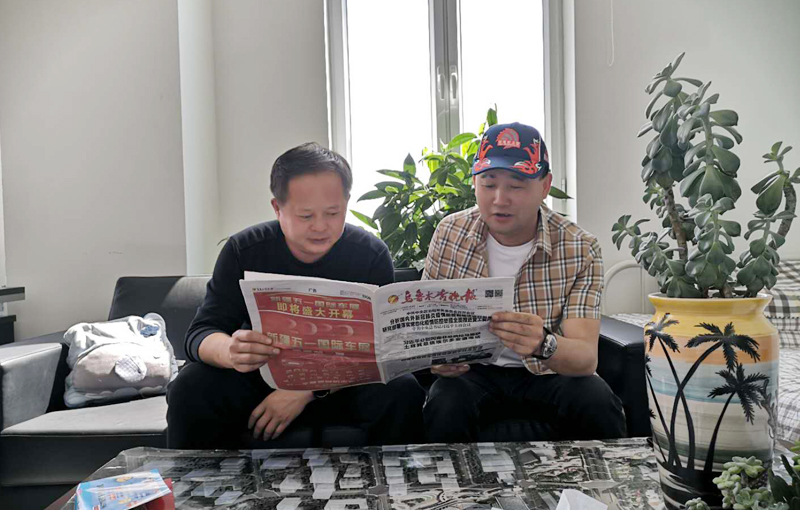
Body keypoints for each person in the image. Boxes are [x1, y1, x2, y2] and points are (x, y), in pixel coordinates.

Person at [166, 142, 425, 449]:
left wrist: (306, 391)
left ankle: (391, 481)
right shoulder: (244, 250)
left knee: (401, 389)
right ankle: (197, 481)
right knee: (190, 386)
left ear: (346, 202)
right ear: (277, 208)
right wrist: (231, 351)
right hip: (262, 379)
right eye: (305, 216)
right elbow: (200, 333)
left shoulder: (369, 254)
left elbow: (380, 351)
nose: (321, 227)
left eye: (333, 213)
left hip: (343, 385)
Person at [422, 122, 627, 442]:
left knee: (596, 400)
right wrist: (438, 360)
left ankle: (607, 477)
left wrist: (542, 342)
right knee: (445, 402)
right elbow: (426, 326)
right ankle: (450, 479)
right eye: (489, 184)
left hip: (549, 372)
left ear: (545, 186)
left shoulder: (578, 247)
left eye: (516, 186)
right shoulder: (450, 234)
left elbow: (585, 358)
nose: (499, 199)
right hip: (473, 372)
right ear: (475, 183)